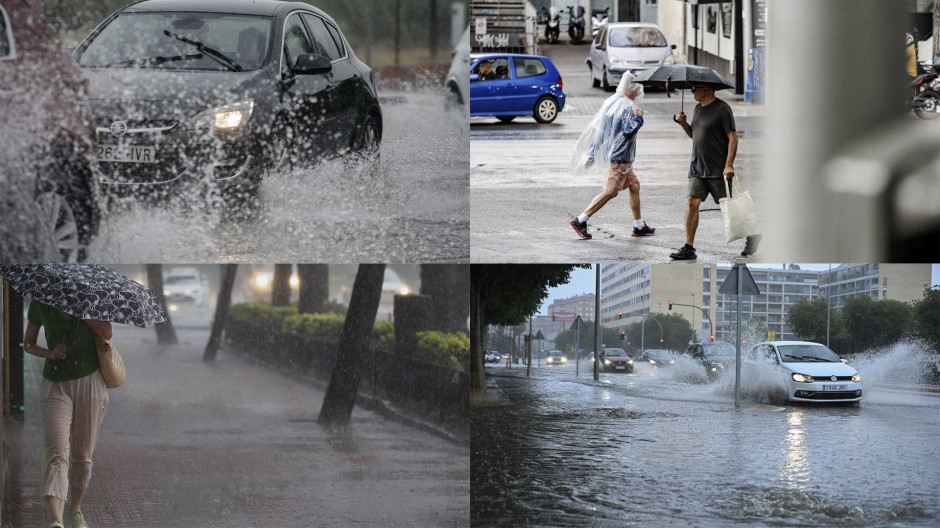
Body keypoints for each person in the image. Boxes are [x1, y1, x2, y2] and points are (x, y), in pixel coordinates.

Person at [23, 300, 113, 528]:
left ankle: (76, 509)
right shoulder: (41, 303)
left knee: (82, 454)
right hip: (55, 384)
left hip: (90, 382)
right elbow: (29, 344)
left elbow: (107, 332)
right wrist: (50, 353)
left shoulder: (92, 300)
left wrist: (83, 312)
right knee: (57, 451)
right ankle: (57, 520)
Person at [669, 82, 760, 260]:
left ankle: (753, 235)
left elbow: (733, 137)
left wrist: (729, 164)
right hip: (697, 167)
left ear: (708, 89)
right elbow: (695, 135)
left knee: (730, 208)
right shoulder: (697, 108)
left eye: (696, 88)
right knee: (692, 202)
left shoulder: (722, 109)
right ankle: (689, 247)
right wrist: (683, 124)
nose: (692, 90)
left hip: (718, 169)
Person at [569, 72, 655, 240]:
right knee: (610, 191)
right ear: (631, 88)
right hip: (620, 157)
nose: (639, 92)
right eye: (638, 88)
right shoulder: (627, 106)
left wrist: (592, 153)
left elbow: (599, 130)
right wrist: (639, 118)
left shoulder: (611, 102)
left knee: (634, 186)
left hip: (620, 156)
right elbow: (629, 130)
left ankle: (639, 226)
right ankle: (581, 219)